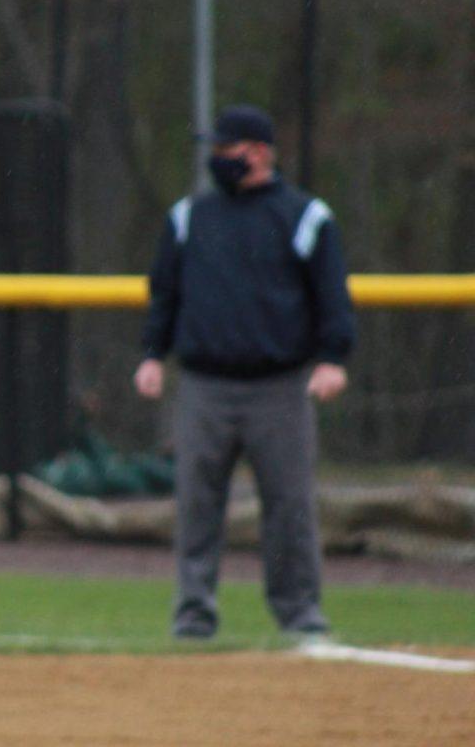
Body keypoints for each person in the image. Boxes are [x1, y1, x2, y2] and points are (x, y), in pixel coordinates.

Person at [133, 104, 355, 640]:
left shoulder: (305, 216)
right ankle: (193, 614)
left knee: (289, 507)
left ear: (257, 151)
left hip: (279, 387)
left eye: (224, 148)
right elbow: (164, 295)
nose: (215, 159)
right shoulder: (191, 216)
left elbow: (332, 298)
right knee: (196, 505)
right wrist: (151, 355)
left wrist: (333, 359)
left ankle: (300, 614)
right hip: (204, 385)